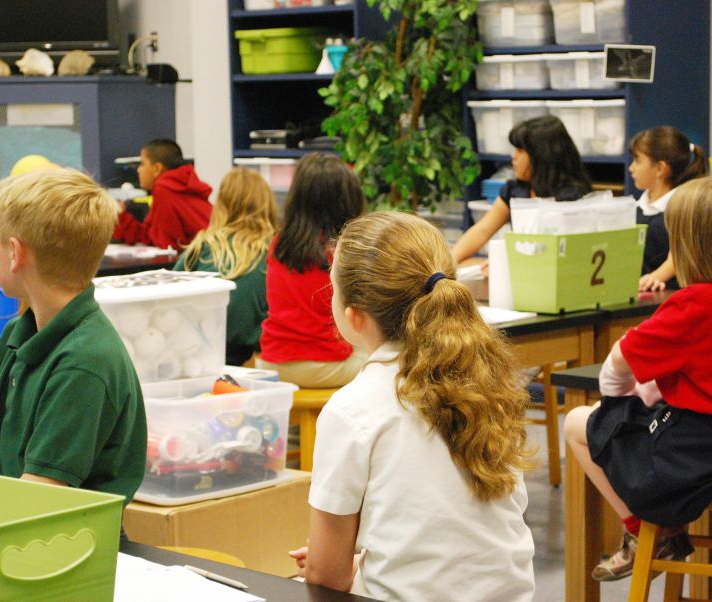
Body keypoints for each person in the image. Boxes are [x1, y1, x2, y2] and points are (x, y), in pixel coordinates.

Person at [288, 211, 536, 601]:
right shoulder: (488, 383)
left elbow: (326, 575)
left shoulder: (353, 409)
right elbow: (456, 538)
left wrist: (344, 563)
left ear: (354, 317)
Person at [564, 176, 712, 582]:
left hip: (688, 457)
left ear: (686, 244)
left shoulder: (692, 304)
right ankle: (666, 527)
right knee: (618, 418)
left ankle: (641, 530)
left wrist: (613, 402)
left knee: (579, 422)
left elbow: (620, 360)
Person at [0, 169, 147, 503]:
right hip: (20, 526)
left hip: (68, 542)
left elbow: (39, 496)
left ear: (14, 253)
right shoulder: (19, 334)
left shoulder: (84, 362)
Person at [257, 153, 367, 387]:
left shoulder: (279, 243)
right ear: (349, 200)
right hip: (326, 366)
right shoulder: (347, 250)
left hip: (271, 363)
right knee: (390, 357)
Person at [451, 115, 592, 263]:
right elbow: (482, 230)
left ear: (541, 155)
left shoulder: (571, 198)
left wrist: (507, 261)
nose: (513, 156)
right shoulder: (515, 191)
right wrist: (448, 264)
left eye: (520, 150)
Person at [174, 167, 277, 366]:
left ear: (221, 205)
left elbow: (168, 297)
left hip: (196, 357)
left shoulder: (201, 247)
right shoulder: (275, 252)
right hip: (256, 359)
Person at [629, 126, 708, 291]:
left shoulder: (682, 207)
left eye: (638, 160)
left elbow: (679, 255)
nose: (631, 168)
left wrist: (652, 279)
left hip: (668, 297)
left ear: (660, 168)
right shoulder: (636, 206)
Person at [113, 138, 213, 251]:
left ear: (157, 169)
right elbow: (151, 235)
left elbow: (166, 244)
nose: (138, 170)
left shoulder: (163, 189)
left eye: (142, 164)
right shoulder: (181, 185)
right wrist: (122, 217)